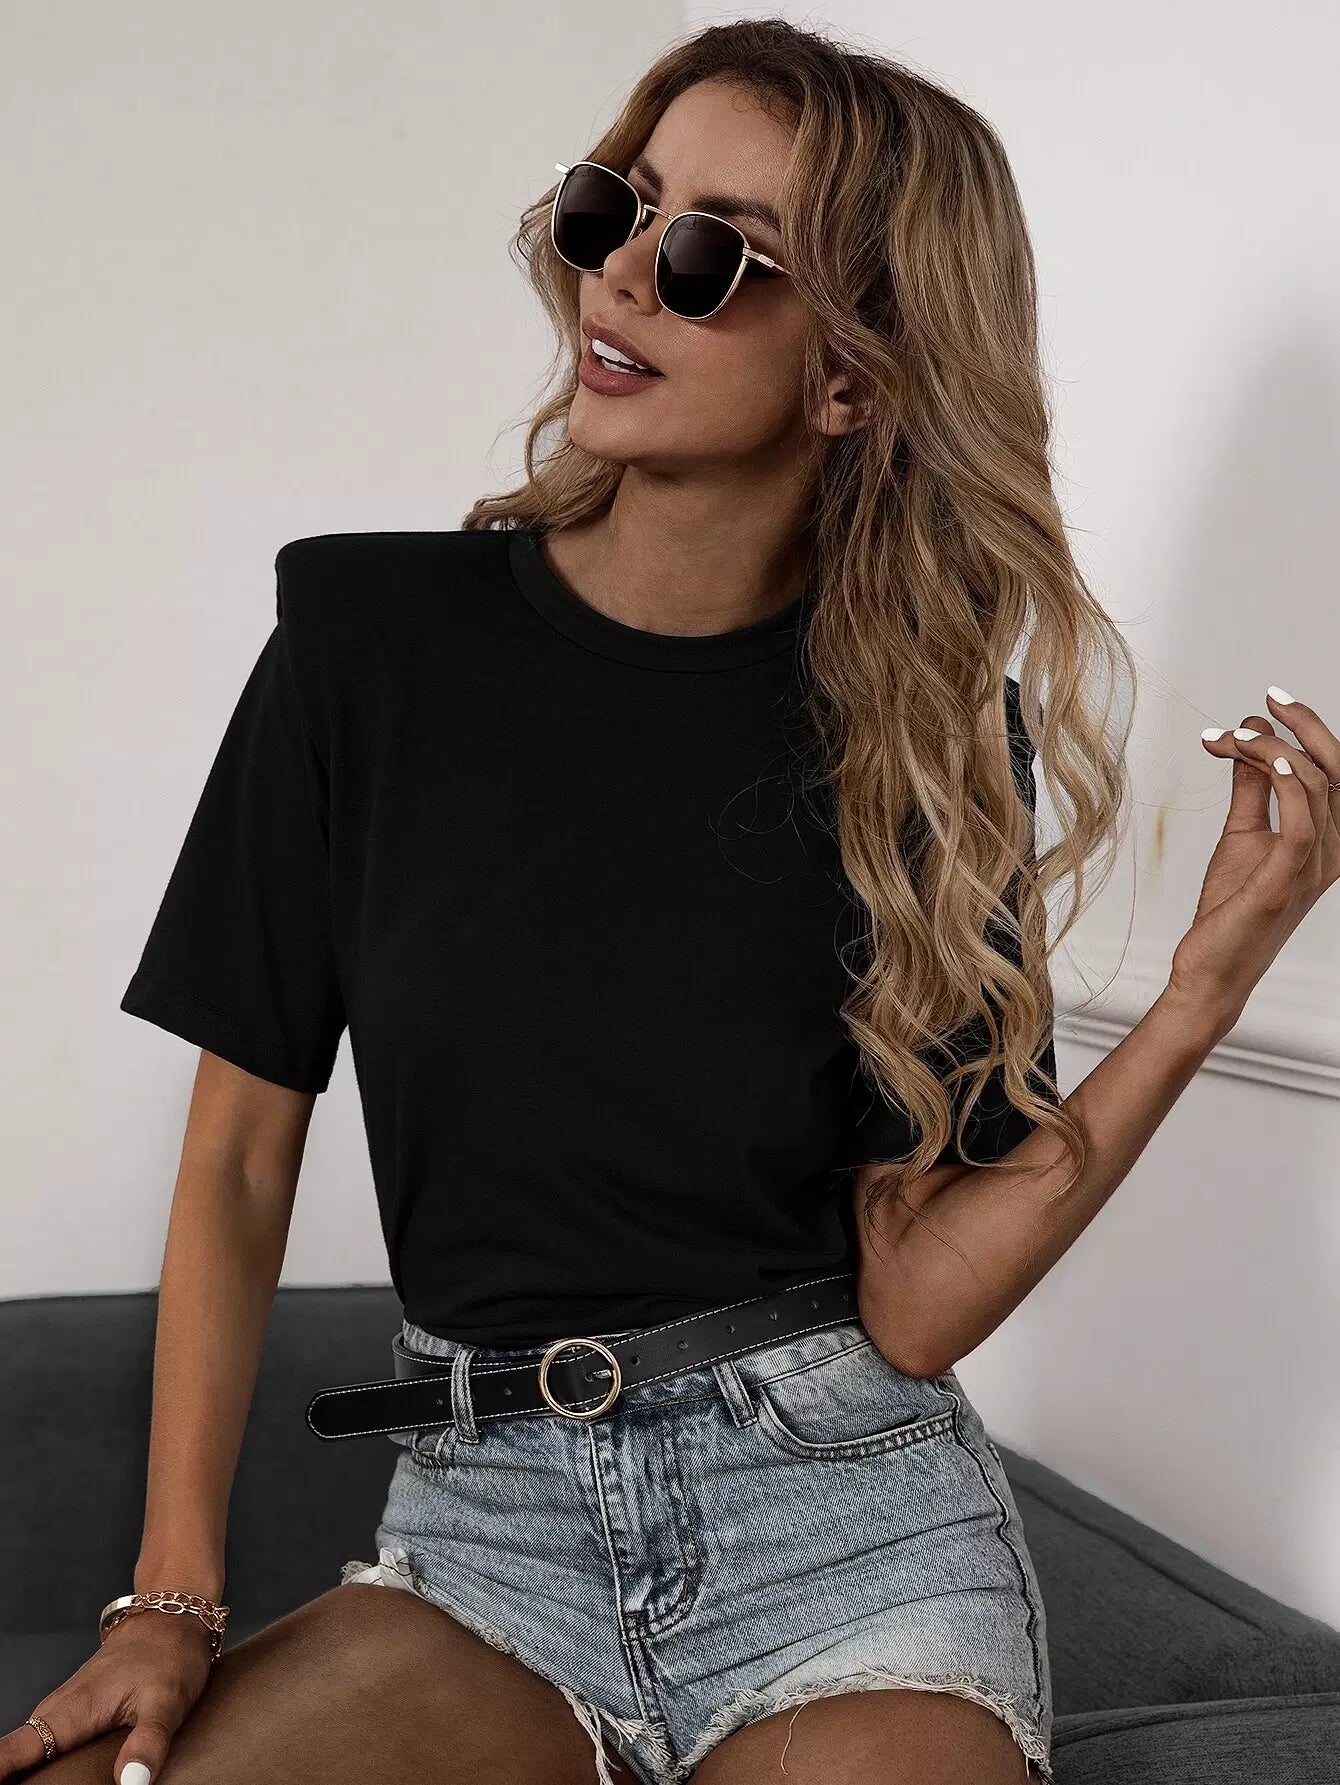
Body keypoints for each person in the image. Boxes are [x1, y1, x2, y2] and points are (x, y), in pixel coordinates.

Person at [9, 18, 1338, 1785]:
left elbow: (915, 1302)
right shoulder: (366, 649)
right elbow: (243, 1154)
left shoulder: (931, 738)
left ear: (852, 378)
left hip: (851, 1546)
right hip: (487, 1540)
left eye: (716, 252)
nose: (625, 272)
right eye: (617, 205)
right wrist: (167, 1599)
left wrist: (1201, 992)